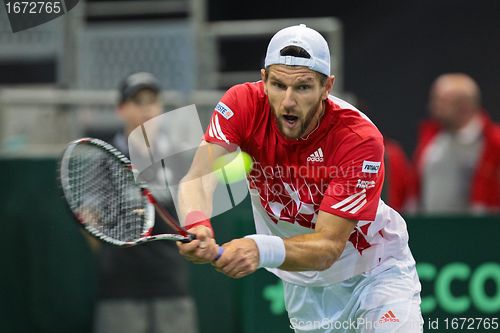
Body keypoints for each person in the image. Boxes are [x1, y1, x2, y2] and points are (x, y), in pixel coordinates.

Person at [176, 25, 423, 332]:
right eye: (278, 85)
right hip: (304, 284)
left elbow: (329, 246)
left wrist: (259, 248)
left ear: (327, 87)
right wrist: (197, 223)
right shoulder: (242, 104)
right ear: (263, 79)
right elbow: (197, 177)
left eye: (303, 87)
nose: (288, 101)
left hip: (374, 271)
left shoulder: (358, 138)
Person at [93, 72, 198, 333]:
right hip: (120, 290)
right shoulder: (104, 159)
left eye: (152, 101)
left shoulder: (180, 158)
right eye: (138, 102)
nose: (147, 110)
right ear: (121, 109)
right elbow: (90, 220)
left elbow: (193, 210)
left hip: (171, 286)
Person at [414, 73, 500, 214]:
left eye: (441, 101)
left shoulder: (494, 144)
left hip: (480, 231)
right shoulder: (431, 140)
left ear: (464, 105)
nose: (433, 107)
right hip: (432, 230)